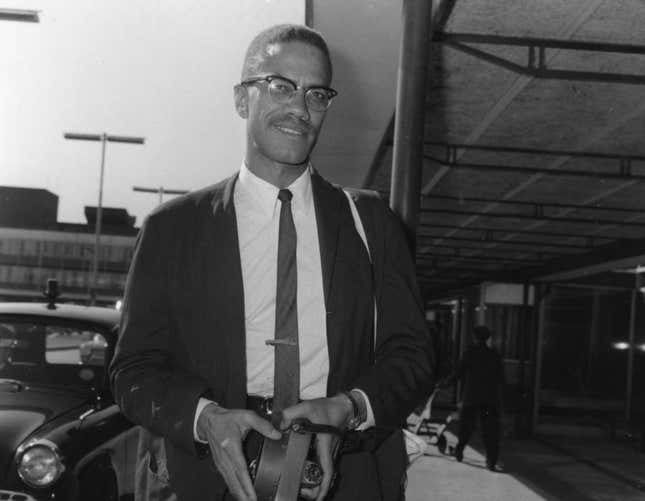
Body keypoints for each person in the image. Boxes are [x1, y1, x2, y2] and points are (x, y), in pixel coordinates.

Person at [110, 23, 433, 501]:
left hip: (342, 474)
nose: (300, 109)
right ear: (242, 100)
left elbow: (412, 354)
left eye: (316, 94)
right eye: (280, 87)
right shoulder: (173, 229)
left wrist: (349, 408)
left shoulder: (370, 223)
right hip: (215, 475)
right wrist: (205, 419)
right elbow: (132, 369)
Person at [440, 325, 504, 471]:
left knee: (466, 427)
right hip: (490, 399)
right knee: (490, 430)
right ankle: (491, 460)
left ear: (475, 337)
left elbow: (458, 373)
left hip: (472, 397)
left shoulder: (470, 353)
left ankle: (459, 451)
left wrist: (444, 384)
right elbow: (501, 379)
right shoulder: (494, 355)